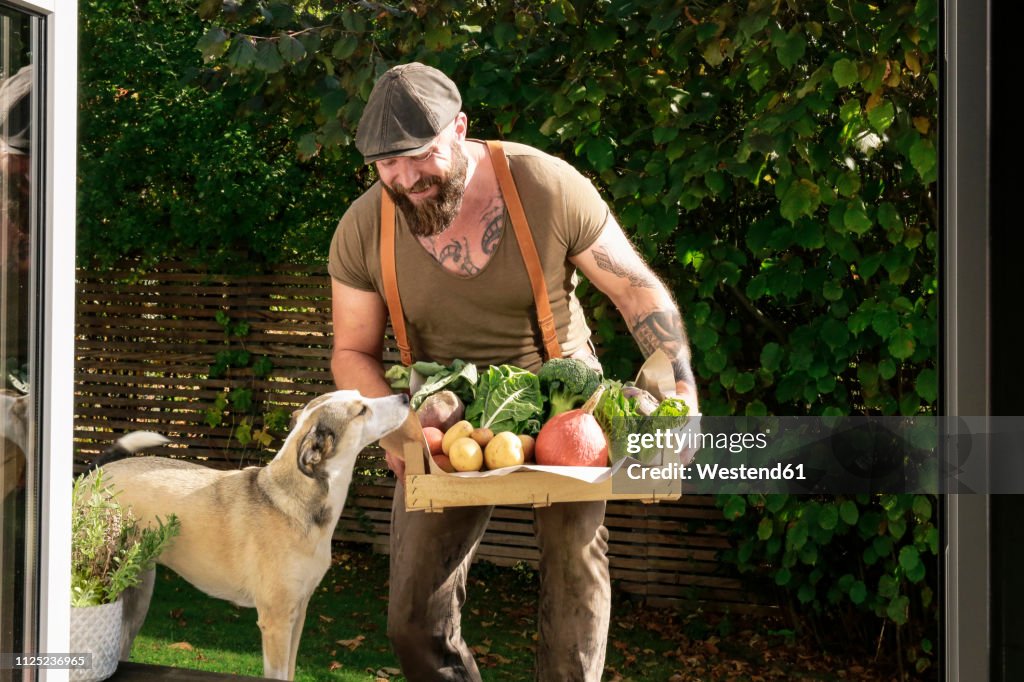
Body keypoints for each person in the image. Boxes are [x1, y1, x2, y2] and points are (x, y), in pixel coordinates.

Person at [328, 62, 699, 682]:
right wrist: (394, 426)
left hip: (566, 405)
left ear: (461, 128)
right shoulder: (364, 226)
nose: (405, 178)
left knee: (575, 576)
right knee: (412, 618)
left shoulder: (545, 185)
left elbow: (638, 293)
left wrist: (682, 388)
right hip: (445, 418)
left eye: (420, 156)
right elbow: (352, 351)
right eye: (386, 164)